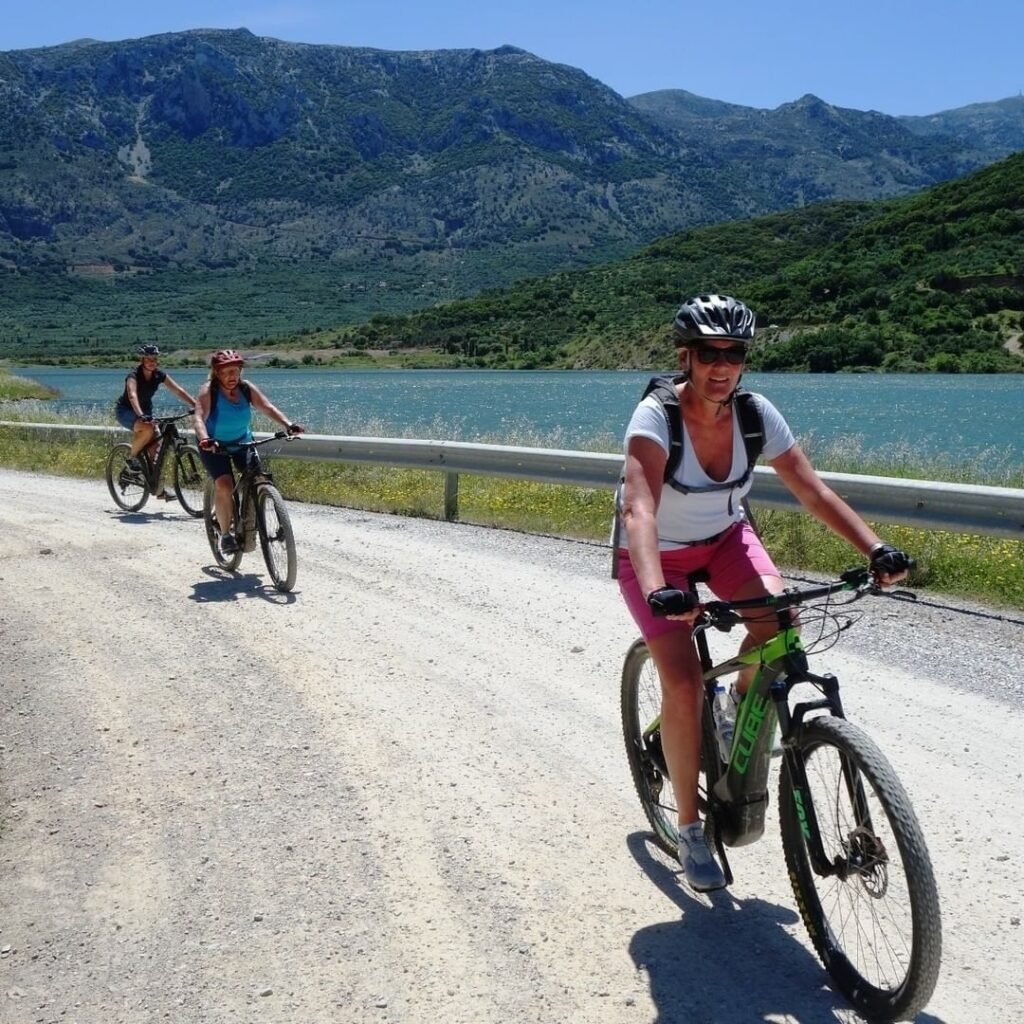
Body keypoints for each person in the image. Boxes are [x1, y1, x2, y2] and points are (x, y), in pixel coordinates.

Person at [616, 293, 912, 893]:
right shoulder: (656, 417)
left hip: (725, 539)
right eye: (708, 353)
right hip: (657, 558)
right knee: (681, 680)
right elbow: (639, 507)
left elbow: (813, 490)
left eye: (733, 353)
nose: (721, 365)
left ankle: (732, 711)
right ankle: (693, 832)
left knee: (783, 625)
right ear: (686, 356)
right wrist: (657, 590)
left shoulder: (755, 414)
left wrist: (874, 549)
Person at [193, 349, 305, 556]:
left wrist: (289, 424)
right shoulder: (208, 391)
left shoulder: (246, 388)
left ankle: (259, 520)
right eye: (226, 372)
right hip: (213, 445)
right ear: (216, 373)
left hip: (242, 442)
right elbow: (199, 417)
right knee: (225, 485)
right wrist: (204, 438)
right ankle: (226, 534)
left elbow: (267, 407)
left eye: (234, 371)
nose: (231, 377)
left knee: (260, 480)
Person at [114, 344, 197, 499]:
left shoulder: (159, 375)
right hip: (127, 410)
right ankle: (132, 460)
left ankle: (157, 488)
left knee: (156, 447)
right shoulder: (133, 375)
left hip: (146, 412)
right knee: (148, 430)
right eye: (148, 359)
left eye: (154, 359)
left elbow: (178, 390)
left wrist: (195, 405)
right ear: (142, 360)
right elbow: (132, 395)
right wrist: (140, 414)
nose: (152, 362)